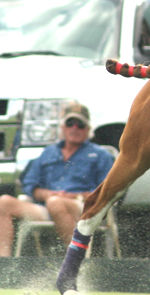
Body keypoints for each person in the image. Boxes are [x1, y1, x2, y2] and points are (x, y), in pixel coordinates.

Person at [0, 102, 114, 256]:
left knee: (56, 203)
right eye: (70, 123)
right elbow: (29, 183)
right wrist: (45, 194)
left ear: (88, 129)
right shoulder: (49, 152)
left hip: (84, 208)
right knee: (4, 202)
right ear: (62, 127)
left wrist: (73, 196)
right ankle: (3, 261)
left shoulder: (100, 155)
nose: (74, 128)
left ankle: (74, 260)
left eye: (80, 124)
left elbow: (107, 192)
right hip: (47, 206)